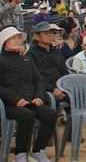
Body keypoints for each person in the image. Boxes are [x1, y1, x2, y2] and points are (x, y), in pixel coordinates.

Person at [0, 26, 57, 162]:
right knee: (27, 116)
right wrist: (15, 99)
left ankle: (38, 150)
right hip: (9, 104)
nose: (18, 40)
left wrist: (39, 97)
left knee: (50, 114)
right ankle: (20, 154)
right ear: (4, 41)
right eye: (14, 38)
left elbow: (39, 81)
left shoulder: (27, 60)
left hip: (31, 101)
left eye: (19, 37)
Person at [24, 22, 69, 107]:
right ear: (36, 37)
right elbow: (34, 78)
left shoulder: (56, 52)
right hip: (44, 90)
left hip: (62, 87)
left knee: (84, 94)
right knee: (52, 100)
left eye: (51, 32)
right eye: (45, 33)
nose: (49, 35)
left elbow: (64, 71)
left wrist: (63, 87)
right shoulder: (31, 55)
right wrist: (52, 89)